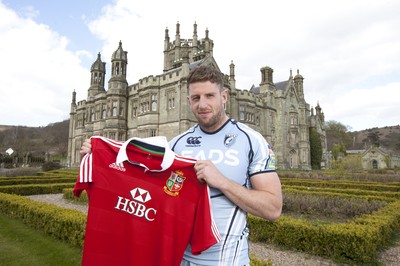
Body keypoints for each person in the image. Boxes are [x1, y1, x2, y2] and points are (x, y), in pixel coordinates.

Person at [80, 65, 282, 265]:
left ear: (224, 97)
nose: (202, 104)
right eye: (196, 98)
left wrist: (222, 182)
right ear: (188, 101)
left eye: (209, 96)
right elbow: (142, 190)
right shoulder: (176, 145)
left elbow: (273, 209)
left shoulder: (252, 141)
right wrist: (97, 160)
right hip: (178, 260)